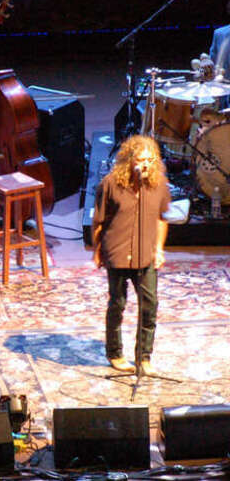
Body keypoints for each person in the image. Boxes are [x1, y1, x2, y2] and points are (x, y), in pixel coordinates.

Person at [92, 135, 170, 376]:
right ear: (129, 160)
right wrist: (97, 252)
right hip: (116, 252)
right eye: (141, 159)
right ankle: (114, 353)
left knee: (150, 305)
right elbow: (99, 222)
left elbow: (161, 220)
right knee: (117, 304)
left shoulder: (158, 185)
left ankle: (144, 357)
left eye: (150, 160)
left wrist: (158, 249)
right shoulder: (110, 184)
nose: (146, 164)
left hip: (145, 255)